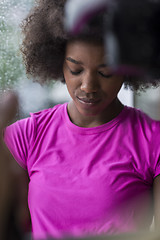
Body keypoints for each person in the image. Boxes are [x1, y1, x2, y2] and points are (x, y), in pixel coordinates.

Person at [1, 0, 160, 239]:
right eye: (75, 70)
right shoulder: (26, 136)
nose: (88, 86)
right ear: (57, 64)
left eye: (105, 73)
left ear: (128, 68)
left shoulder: (152, 140)